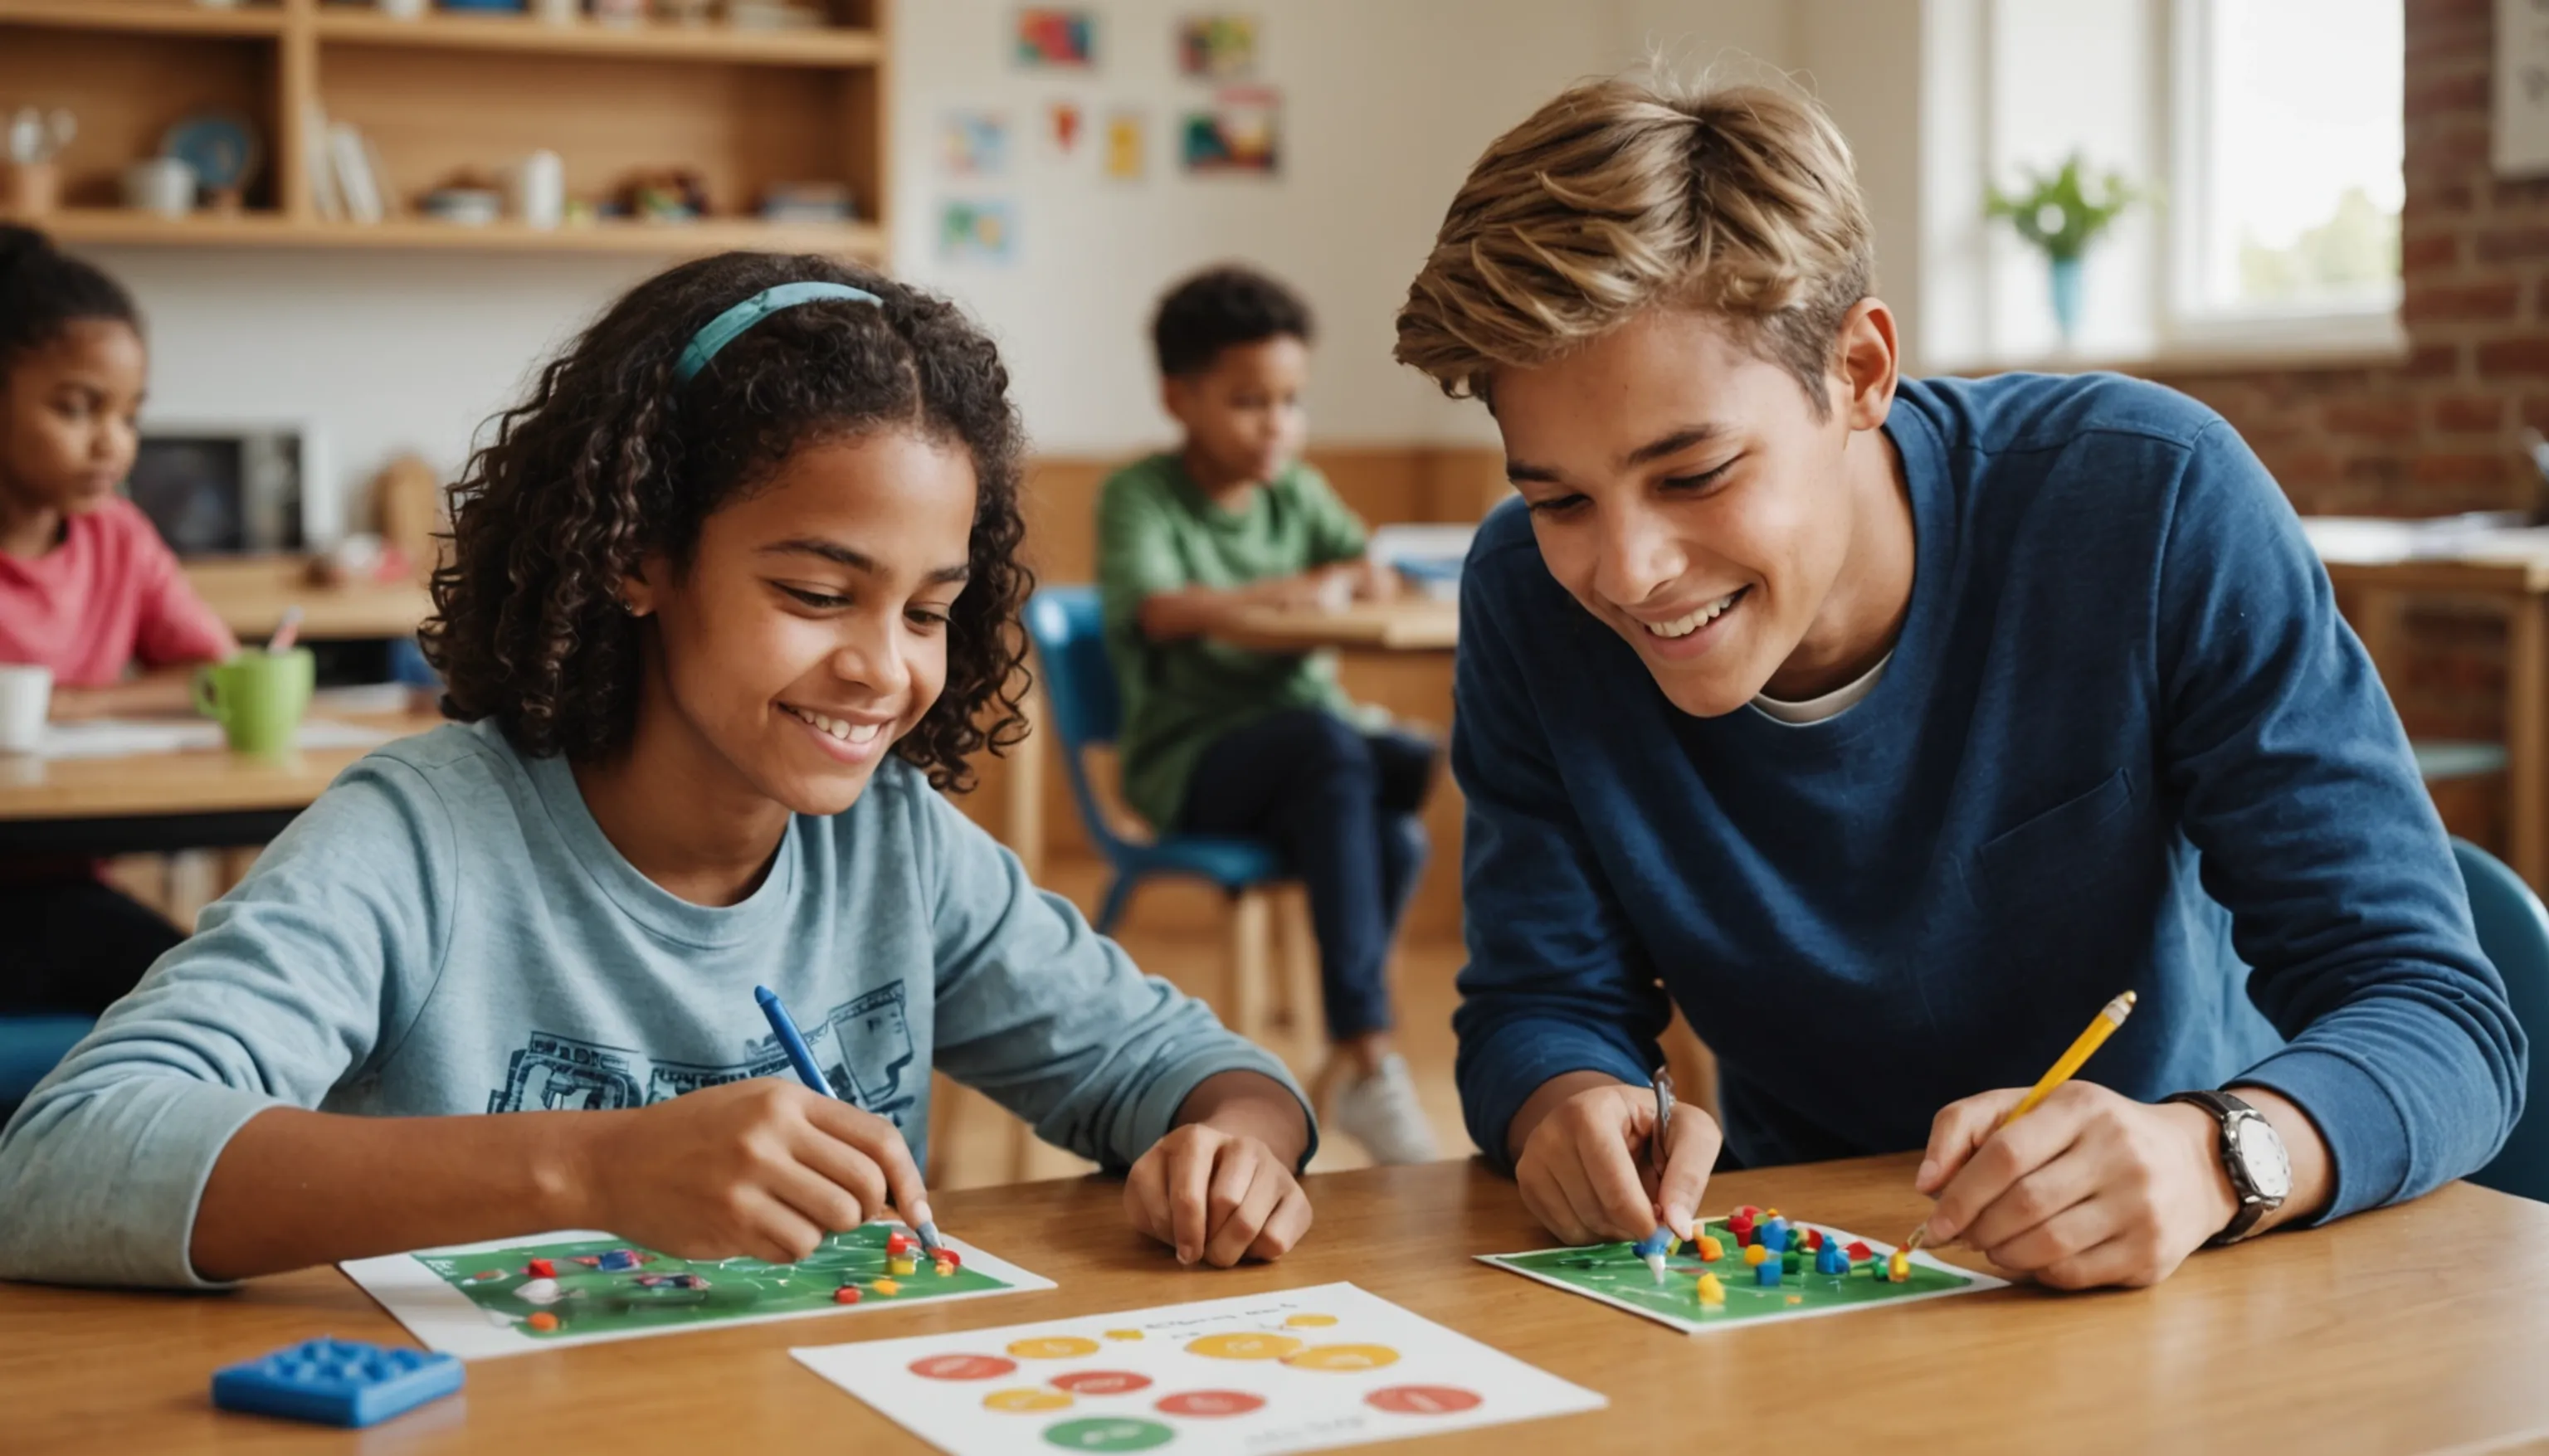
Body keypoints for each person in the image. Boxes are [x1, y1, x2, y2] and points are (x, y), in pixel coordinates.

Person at [1394, 77, 2526, 1288]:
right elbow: (1536, 999)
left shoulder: (2151, 504)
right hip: (1809, 1278)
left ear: (1860, 370)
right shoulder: (1527, 593)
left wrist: (2214, 1155)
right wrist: (1564, 1098)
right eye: (1558, 496)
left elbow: (2440, 1017)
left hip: (2201, 1270)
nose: (1626, 571)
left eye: (1697, 472)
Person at [0, 251, 1314, 1288]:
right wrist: (587, 1163)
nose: (881, 666)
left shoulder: (893, 850)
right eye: (815, 591)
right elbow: (63, 1161)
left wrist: (1231, 1154)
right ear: (637, 555)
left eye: (927, 611)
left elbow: (1204, 1072)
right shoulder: (424, 841)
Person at [1097, 265, 1440, 1164]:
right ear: (1180, 397)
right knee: (1340, 752)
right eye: (1250, 400)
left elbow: (1369, 565)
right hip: (1195, 767)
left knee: (1416, 779)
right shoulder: (1142, 495)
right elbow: (1160, 609)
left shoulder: (1298, 489)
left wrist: (1368, 574)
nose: (1278, 424)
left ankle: (1359, 1057)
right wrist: (1304, 589)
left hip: (1309, 766)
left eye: (1293, 400)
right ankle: (1368, 1056)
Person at [0, 224, 236, 1019]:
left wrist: (74, 704)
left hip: (56, 887)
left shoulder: (116, 534)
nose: (114, 443)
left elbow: (220, 676)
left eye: (129, 414)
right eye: (76, 408)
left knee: (208, 1004)